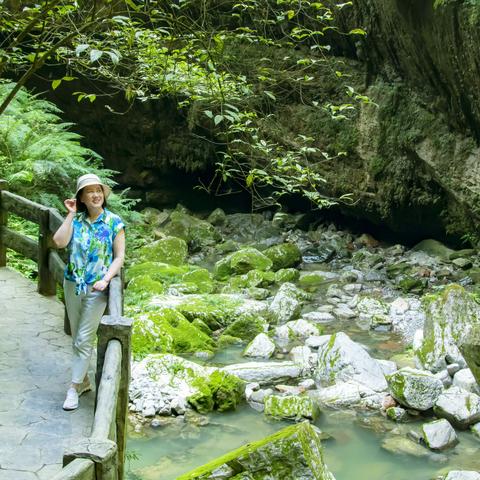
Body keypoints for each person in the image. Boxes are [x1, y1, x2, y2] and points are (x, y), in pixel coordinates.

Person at [53, 173, 125, 411]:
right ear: (81, 197)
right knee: (77, 337)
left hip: (97, 288)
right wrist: (71, 213)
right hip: (72, 285)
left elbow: (119, 258)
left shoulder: (114, 222)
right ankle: (83, 381)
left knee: (84, 338)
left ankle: (73, 388)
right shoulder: (76, 221)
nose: (95, 194)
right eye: (89, 191)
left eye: (98, 190)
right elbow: (59, 242)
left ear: (103, 195)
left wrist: (106, 279)